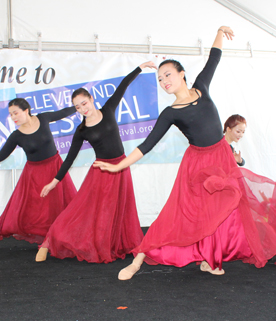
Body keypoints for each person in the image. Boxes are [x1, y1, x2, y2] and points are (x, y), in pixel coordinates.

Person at [94, 26, 276, 280]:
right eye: (159, 79)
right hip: (198, 166)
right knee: (179, 213)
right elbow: (147, 144)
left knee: (226, 210)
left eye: (167, 74)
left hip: (222, 157)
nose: (164, 81)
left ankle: (209, 259)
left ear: (182, 74)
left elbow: (214, 58)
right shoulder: (171, 113)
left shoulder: (202, 87)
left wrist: (220, 33)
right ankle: (138, 260)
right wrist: (118, 166)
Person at [36, 61, 157, 263]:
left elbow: (123, 85)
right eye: (77, 107)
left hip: (121, 167)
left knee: (120, 209)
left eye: (84, 103)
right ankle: (49, 242)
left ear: (91, 100)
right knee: (83, 211)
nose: (82, 108)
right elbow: (69, 159)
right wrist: (54, 182)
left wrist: (140, 67)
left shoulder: (108, 109)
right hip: (101, 172)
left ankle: (111, 243)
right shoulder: (81, 131)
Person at [0, 98, 77, 253]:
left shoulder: (43, 118)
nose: (13, 117)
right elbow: (0, 156)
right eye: (11, 115)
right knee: (20, 208)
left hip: (55, 170)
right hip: (33, 175)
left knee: (57, 206)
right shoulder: (17, 136)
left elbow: (64, 112)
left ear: (26, 110)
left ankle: (49, 240)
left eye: (16, 113)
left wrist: (80, 107)